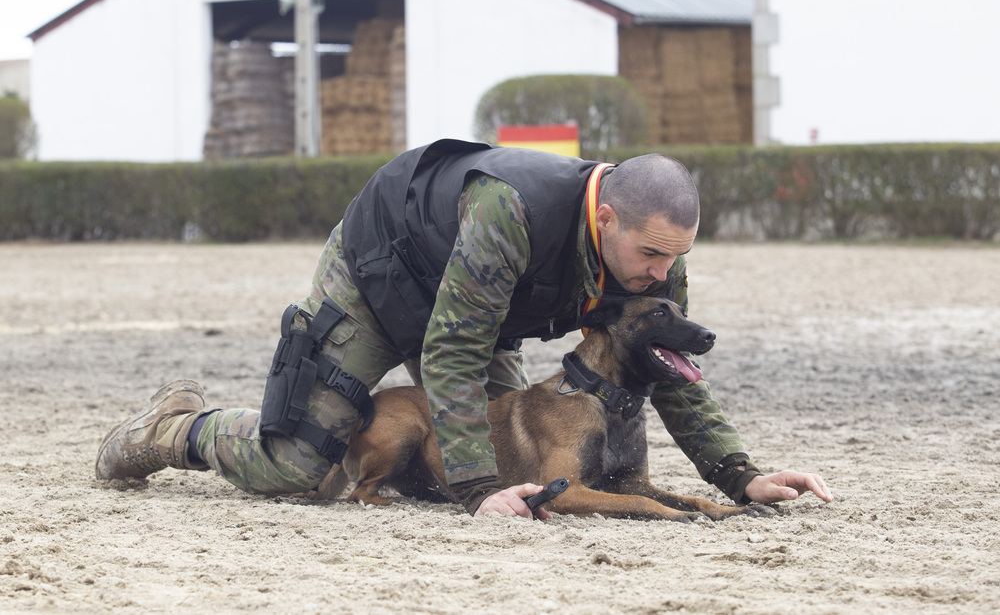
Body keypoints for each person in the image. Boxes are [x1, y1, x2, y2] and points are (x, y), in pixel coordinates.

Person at [95, 139, 833, 518]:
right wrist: (480, 489)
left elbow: (661, 365)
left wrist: (738, 473)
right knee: (294, 468)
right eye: (649, 255)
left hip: (474, 313)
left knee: (500, 450)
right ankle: (175, 424)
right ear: (606, 216)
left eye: (677, 259)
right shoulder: (508, 211)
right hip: (380, 281)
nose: (661, 274)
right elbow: (449, 346)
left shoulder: (652, 255)